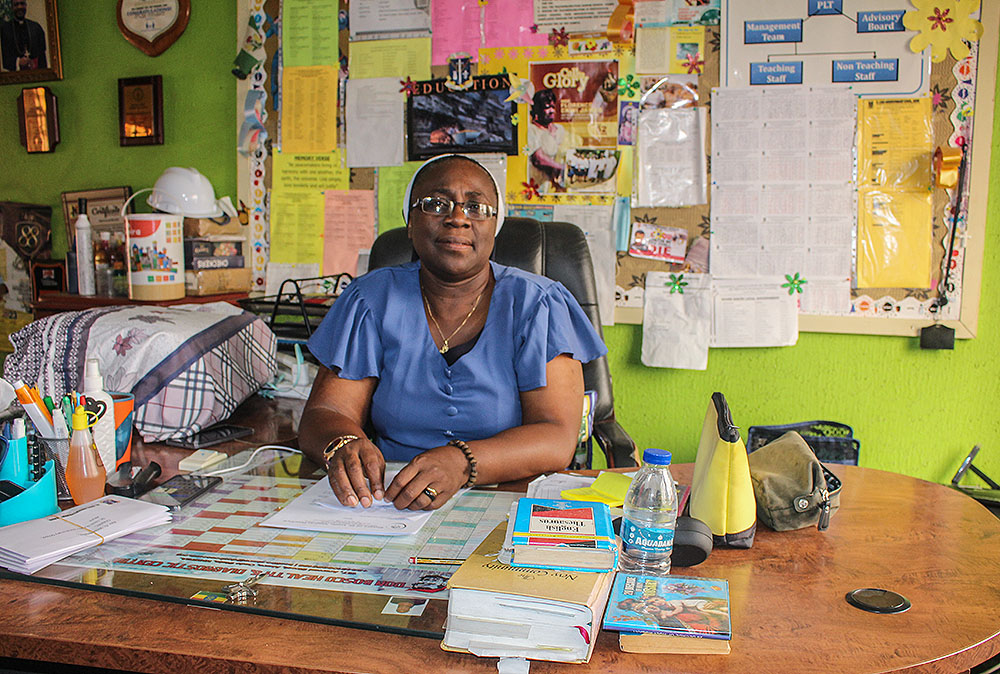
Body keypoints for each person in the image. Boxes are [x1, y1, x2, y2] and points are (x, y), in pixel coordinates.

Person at [301, 154, 606, 511]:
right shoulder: (370, 299)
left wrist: (462, 462)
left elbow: (555, 436)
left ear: (495, 226)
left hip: (509, 499)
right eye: (436, 204)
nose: (457, 217)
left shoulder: (538, 304)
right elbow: (325, 412)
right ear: (410, 222)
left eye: (476, 207)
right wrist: (343, 443)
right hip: (390, 500)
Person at [527, 89, 567, 193]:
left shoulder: (559, 130)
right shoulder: (531, 130)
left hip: (555, 186)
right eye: (547, 107)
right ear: (538, 109)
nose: (551, 111)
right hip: (537, 185)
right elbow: (538, 159)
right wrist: (562, 168)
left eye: (553, 107)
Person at [1, 0, 47, 72]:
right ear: (12, 7)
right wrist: (18, 62)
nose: (20, 7)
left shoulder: (36, 27)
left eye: (22, 4)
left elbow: (42, 56)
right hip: (14, 75)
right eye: (16, 5)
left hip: (35, 73)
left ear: (26, 6)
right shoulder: (5, 29)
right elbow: (4, 56)